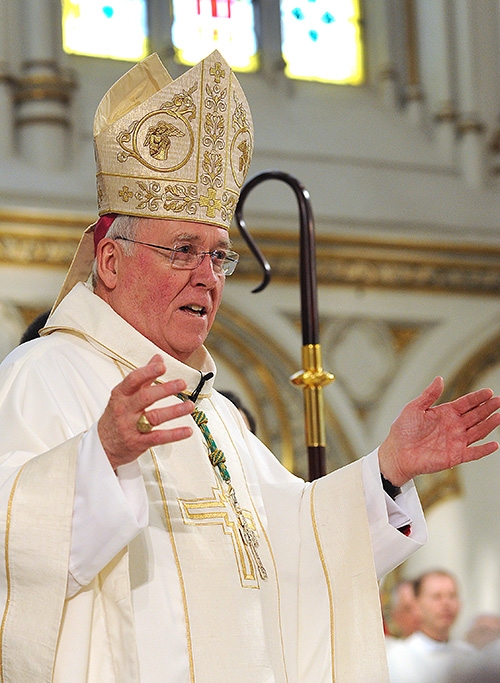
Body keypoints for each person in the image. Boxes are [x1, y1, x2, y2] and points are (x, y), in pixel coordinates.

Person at [0, 51, 499, 683]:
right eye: (183, 251)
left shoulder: (211, 409)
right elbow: (11, 546)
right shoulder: (42, 374)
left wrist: (388, 471)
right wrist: (97, 457)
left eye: (219, 258)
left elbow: (295, 545)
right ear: (111, 262)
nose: (207, 278)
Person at [386, 569, 474, 683]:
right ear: (417, 605)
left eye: (452, 596)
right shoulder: (398, 658)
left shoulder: (469, 656)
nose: (446, 603)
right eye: (437, 597)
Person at [384, 579, 421, 650]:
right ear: (395, 615)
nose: (416, 614)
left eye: (419, 607)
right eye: (408, 609)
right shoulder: (390, 651)